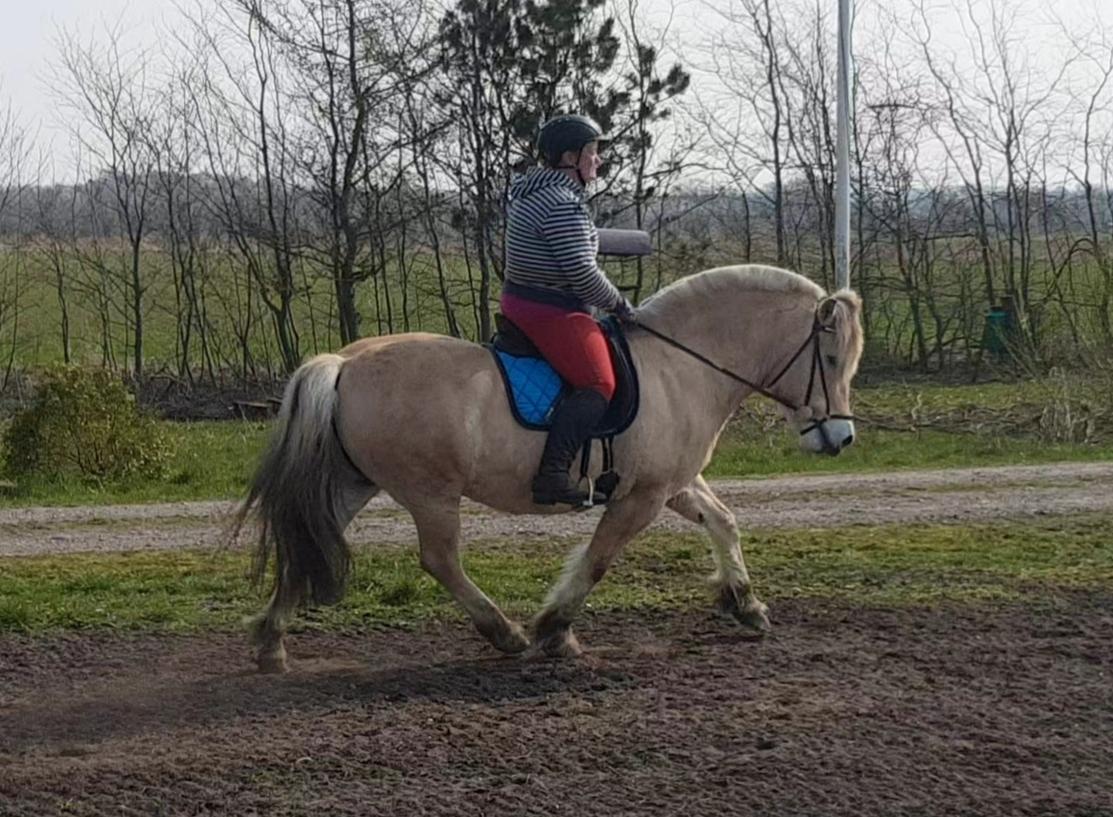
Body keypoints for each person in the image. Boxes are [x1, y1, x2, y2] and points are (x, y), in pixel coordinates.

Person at [501, 113, 637, 506]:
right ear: (569, 158)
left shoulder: (533, 192)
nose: (598, 160)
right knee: (600, 383)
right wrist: (622, 306)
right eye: (592, 152)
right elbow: (582, 274)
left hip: (523, 300)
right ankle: (553, 474)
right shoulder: (562, 204)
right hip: (550, 310)